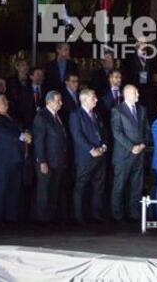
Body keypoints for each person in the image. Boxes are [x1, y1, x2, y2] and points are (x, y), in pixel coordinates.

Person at [0, 93, 32, 225]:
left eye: (6, 101)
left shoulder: (11, 117)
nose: (6, 103)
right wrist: (22, 136)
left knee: (14, 189)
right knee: (2, 187)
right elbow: (5, 132)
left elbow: (21, 128)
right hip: (3, 160)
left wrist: (27, 133)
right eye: (3, 101)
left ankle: (11, 217)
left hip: (16, 158)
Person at [110, 85, 149, 223]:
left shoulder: (142, 109)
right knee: (120, 186)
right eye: (135, 92)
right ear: (126, 94)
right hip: (123, 155)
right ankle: (117, 215)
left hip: (139, 154)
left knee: (137, 186)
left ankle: (134, 213)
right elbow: (117, 132)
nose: (138, 94)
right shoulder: (117, 110)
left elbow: (146, 130)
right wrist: (132, 147)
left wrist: (143, 144)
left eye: (137, 92)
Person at [69, 89, 108, 225]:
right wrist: (91, 150)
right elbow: (77, 135)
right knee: (81, 186)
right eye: (93, 98)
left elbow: (103, 132)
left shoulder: (96, 114)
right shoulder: (76, 115)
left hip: (100, 155)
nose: (96, 100)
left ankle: (96, 215)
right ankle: (79, 217)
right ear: (84, 100)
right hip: (85, 157)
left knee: (98, 186)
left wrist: (103, 146)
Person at [33, 90, 69, 223]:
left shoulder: (57, 116)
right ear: (48, 102)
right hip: (47, 161)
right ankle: (42, 218)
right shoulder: (42, 116)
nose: (61, 103)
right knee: (44, 190)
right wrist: (42, 161)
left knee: (54, 189)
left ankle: (51, 217)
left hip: (58, 160)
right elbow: (39, 140)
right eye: (58, 101)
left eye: (61, 100)